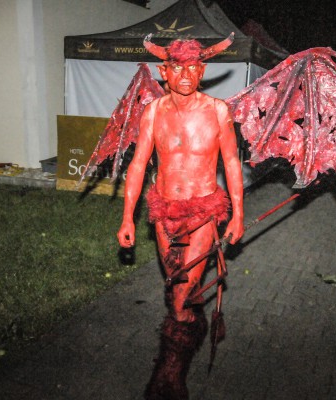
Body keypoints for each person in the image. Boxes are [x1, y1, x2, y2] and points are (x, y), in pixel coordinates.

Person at [116, 34, 244, 399]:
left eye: (193, 66)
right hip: (163, 212)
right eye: (177, 67)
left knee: (178, 297)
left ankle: (169, 378)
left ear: (202, 70)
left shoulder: (218, 110)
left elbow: (232, 162)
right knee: (177, 286)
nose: (185, 74)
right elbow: (139, 164)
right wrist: (128, 217)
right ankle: (194, 322)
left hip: (203, 212)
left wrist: (237, 214)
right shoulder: (153, 112)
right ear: (164, 71)